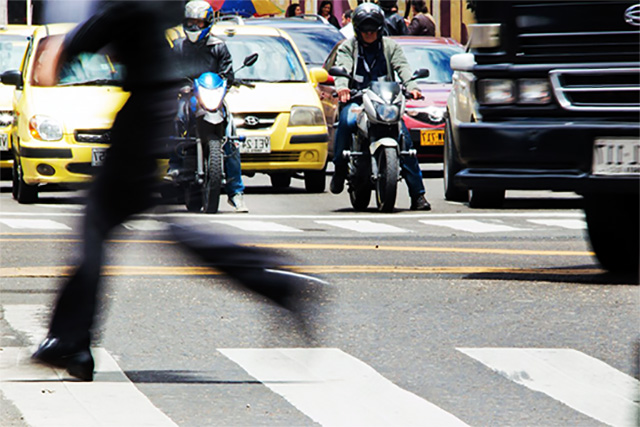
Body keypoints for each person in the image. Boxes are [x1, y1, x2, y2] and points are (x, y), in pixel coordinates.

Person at [31, 0, 327, 382]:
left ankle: (71, 340)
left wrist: (68, 46)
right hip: (150, 110)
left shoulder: (131, 7)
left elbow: (110, 22)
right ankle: (72, 341)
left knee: (98, 225)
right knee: (126, 226)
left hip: (144, 114)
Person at [330, 2, 431, 211]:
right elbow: (343, 68)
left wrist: (412, 87)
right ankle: (340, 167)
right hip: (358, 100)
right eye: (365, 30)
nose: (369, 34)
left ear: (380, 29)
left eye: (373, 30)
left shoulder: (390, 47)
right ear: (358, 30)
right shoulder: (348, 47)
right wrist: (342, 89)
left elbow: (403, 67)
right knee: (347, 122)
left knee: (404, 139)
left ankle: (418, 196)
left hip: (385, 102)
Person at [171, 0, 248, 213]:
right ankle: (174, 163)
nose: (195, 27)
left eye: (199, 22)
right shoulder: (178, 47)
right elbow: (170, 72)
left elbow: (227, 73)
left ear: (208, 22)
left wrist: (226, 83)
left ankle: (236, 193)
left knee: (230, 137)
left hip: (212, 97)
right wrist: (180, 85)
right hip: (189, 97)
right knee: (175, 118)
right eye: (191, 22)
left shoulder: (218, 46)